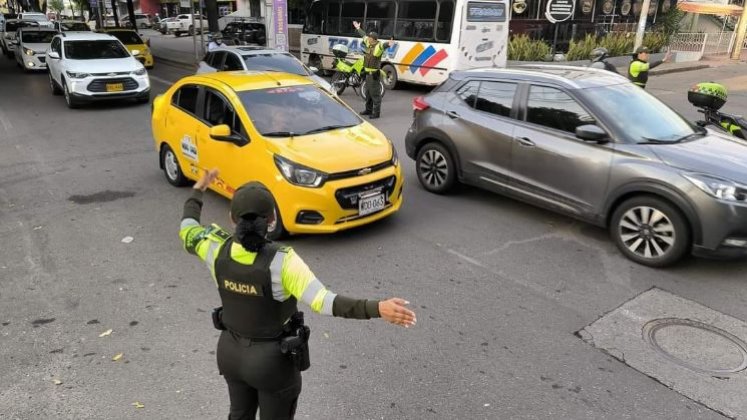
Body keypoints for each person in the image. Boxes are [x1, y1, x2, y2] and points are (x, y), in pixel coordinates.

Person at [179, 169, 417, 420]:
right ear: (271, 221)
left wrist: (199, 188)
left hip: (229, 354)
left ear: (232, 219)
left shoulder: (213, 248)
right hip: (271, 365)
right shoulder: (282, 262)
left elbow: (187, 225)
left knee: (238, 414)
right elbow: (325, 302)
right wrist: (378, 308)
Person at [352, 21, 393, 120]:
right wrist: (358, 28)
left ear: (374, 39)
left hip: (374, 75)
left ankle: (376, 113)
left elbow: (383, 46)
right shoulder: (368, 43)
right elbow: (363, 36)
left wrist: (389, 44)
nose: (368, 39)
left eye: (370, 38)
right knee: (368, 93)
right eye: (369, 37)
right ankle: (368, 110)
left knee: (375, 95)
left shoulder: (378, 46)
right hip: (367, 74)